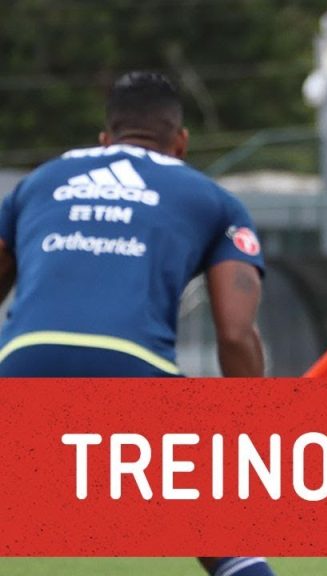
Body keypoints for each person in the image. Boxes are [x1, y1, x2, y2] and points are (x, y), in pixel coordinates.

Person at [0, 71, 275, 576]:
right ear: (182, 142)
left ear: (106, 138)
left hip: (23, 362)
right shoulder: (214, 200)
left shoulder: (38, 182)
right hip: (130, 367)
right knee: (227, 541)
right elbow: (235, 335)